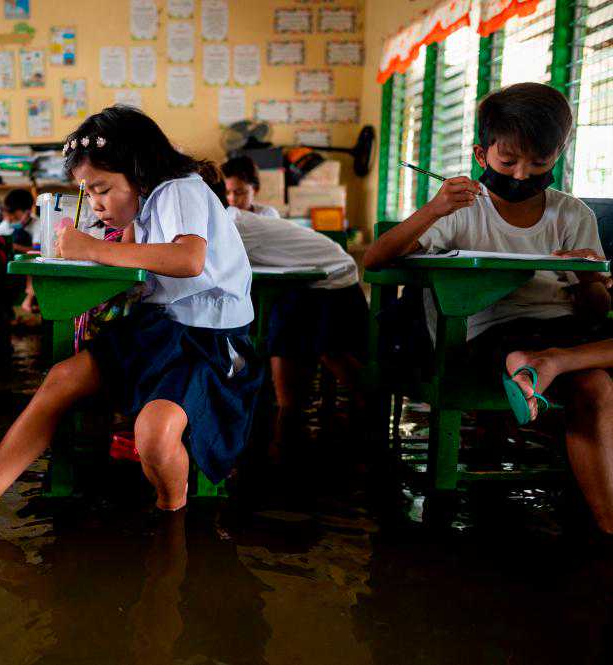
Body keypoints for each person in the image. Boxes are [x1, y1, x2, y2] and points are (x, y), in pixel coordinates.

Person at [0, 106, 262, 558]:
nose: (95, 202)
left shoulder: (180, 189)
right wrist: (111, 240)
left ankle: (171, 514)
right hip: (163, 331)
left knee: (155, 434)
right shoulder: (153, 201)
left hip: (211, 343)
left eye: (102, 189)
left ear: (139, 171)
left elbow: (188, 260)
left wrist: (93, 248)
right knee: (61, 379)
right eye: (87, 191)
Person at [364, 82, 613, 534]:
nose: (522, 175)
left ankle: (550, 364)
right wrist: (433, 210)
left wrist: (588, 277)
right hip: (485, 333)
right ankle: (606, 520)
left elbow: (595, 310)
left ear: (559, 153)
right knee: (594, 385)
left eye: (540, 163)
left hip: (560, 328)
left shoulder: (573, 214)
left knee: (595, 385)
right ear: (482, 155)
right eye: (508, 161)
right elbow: (375, 259)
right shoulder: (461, 209)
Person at [202, 163, 367, 462]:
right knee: (281, 329)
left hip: (335, 278)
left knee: (331, 351)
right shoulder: (228, 221)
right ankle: (286, 418)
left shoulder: (233, 225)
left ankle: (369, 413)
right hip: (306, 283)